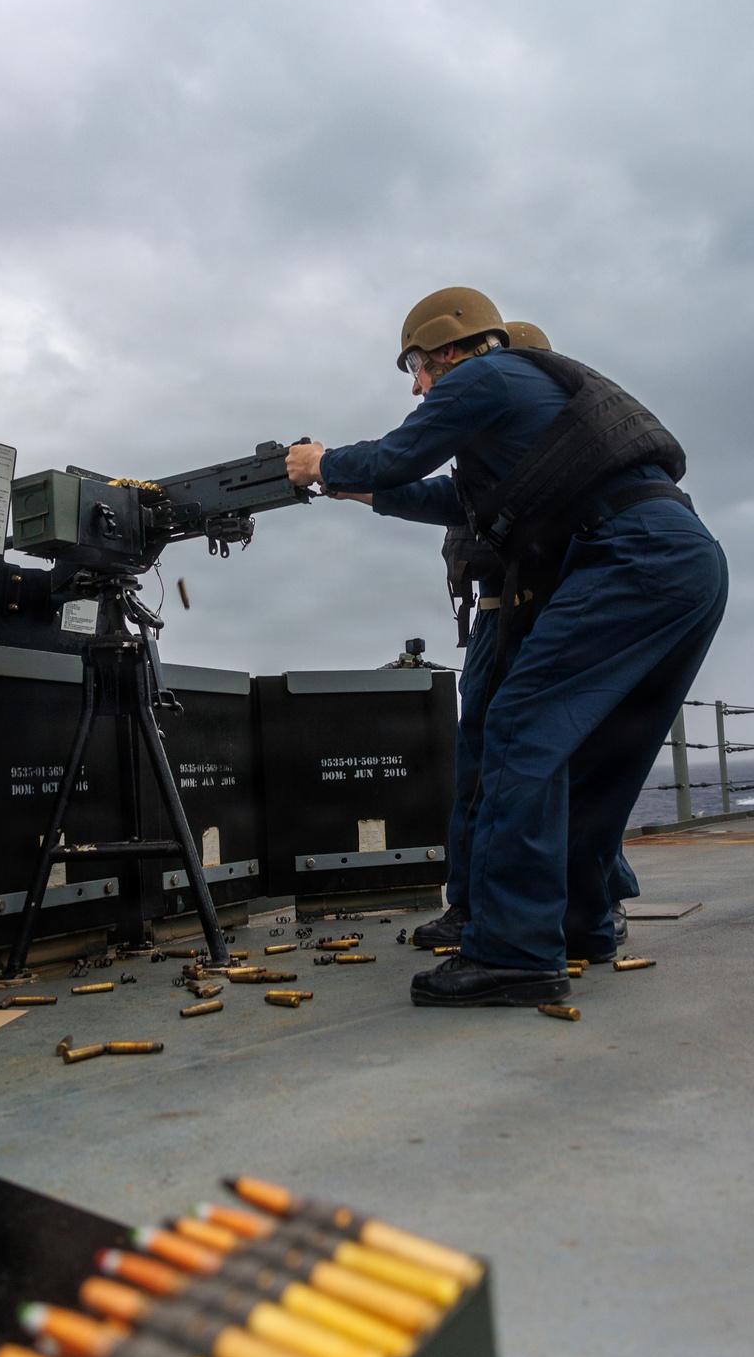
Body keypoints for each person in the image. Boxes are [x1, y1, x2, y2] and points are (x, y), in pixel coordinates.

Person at [287, 288, 727, 1005]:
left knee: (518, 728)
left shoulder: (482, 377)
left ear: (445, 350)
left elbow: (401, 452)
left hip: (626, 556)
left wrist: (321, 464)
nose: (417, 385)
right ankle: (582, 921)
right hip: (685, 561)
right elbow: (450, 500)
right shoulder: (530, 401)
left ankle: (514, 954)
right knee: (599, 755)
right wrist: (356, 491)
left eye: (415, 367)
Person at [368, 321, 635, 959]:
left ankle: (593, 900)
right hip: (493, 617)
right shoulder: (494, 455)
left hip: (540, 610)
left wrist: (354, 472)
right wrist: (363, 488)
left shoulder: (546, 451)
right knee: (482, 764)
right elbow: (450, 499)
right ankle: (475, 906)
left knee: (542, 755)